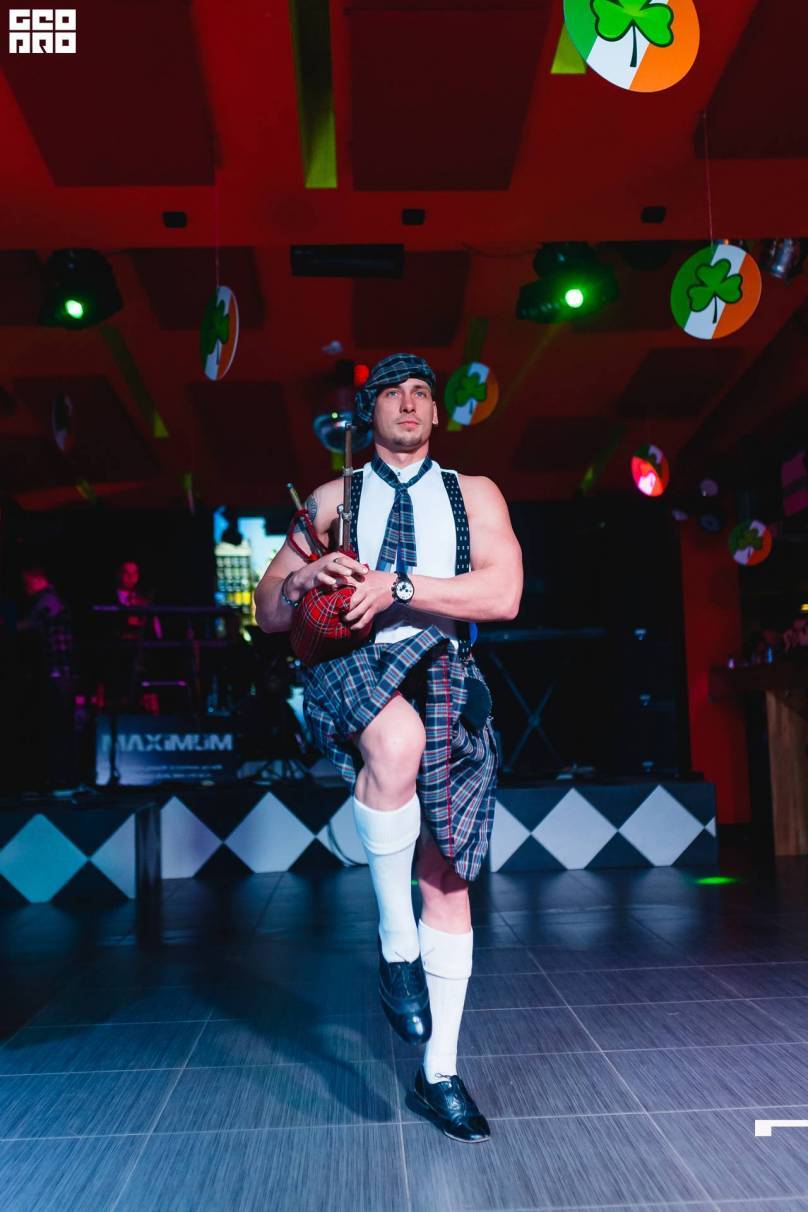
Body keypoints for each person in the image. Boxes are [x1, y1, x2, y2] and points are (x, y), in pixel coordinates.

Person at [255, 353, 523, 1143]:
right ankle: (395, 945)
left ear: (436, 414)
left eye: (421, 394)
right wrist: (305, 580)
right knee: (396, 739)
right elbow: (268, 610)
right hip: (352, 663)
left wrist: (399, 586)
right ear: (366, 413)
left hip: (447, 669)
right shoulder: (331, 498)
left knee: (448, 879)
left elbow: (503, 594)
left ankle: (439, 1074)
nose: (408, 403)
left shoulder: (476, 494)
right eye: (391, 394)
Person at [18, 566, 77, 789]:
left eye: (26, 584)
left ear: (35, 580)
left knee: (58, 724)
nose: (25, 589)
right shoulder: (50, 600)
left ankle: (60, 777)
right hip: (58, 671)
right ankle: (59, 776)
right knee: (57, 723)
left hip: (58, 671)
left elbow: (28, 625)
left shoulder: (48, 601)